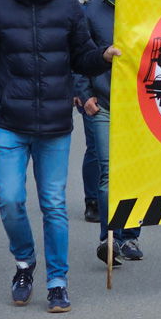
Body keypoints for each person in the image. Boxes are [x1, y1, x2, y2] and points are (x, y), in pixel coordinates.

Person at [0, 0, 120, 313]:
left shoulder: (69, 6)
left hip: (53, 125)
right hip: (8, 123)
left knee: (52, 205)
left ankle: (57, 281)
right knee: (10, 200)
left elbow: (82, 57)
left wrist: (102, 55)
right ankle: (24, 263)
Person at [75, 0, 143, 263]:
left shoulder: (147, 7)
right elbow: (76, 55)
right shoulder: (90, 11)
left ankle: (130, 237)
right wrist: (83, 91)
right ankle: (110, 237)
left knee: (134, 174)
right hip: (102, 103)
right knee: (108, 173)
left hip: (140, 106)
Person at [75, 95, 101, 223]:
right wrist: (81, 93)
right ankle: (92, 201)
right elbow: (77, 73)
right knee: (95, 147)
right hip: (94, 97)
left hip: (127, 95)